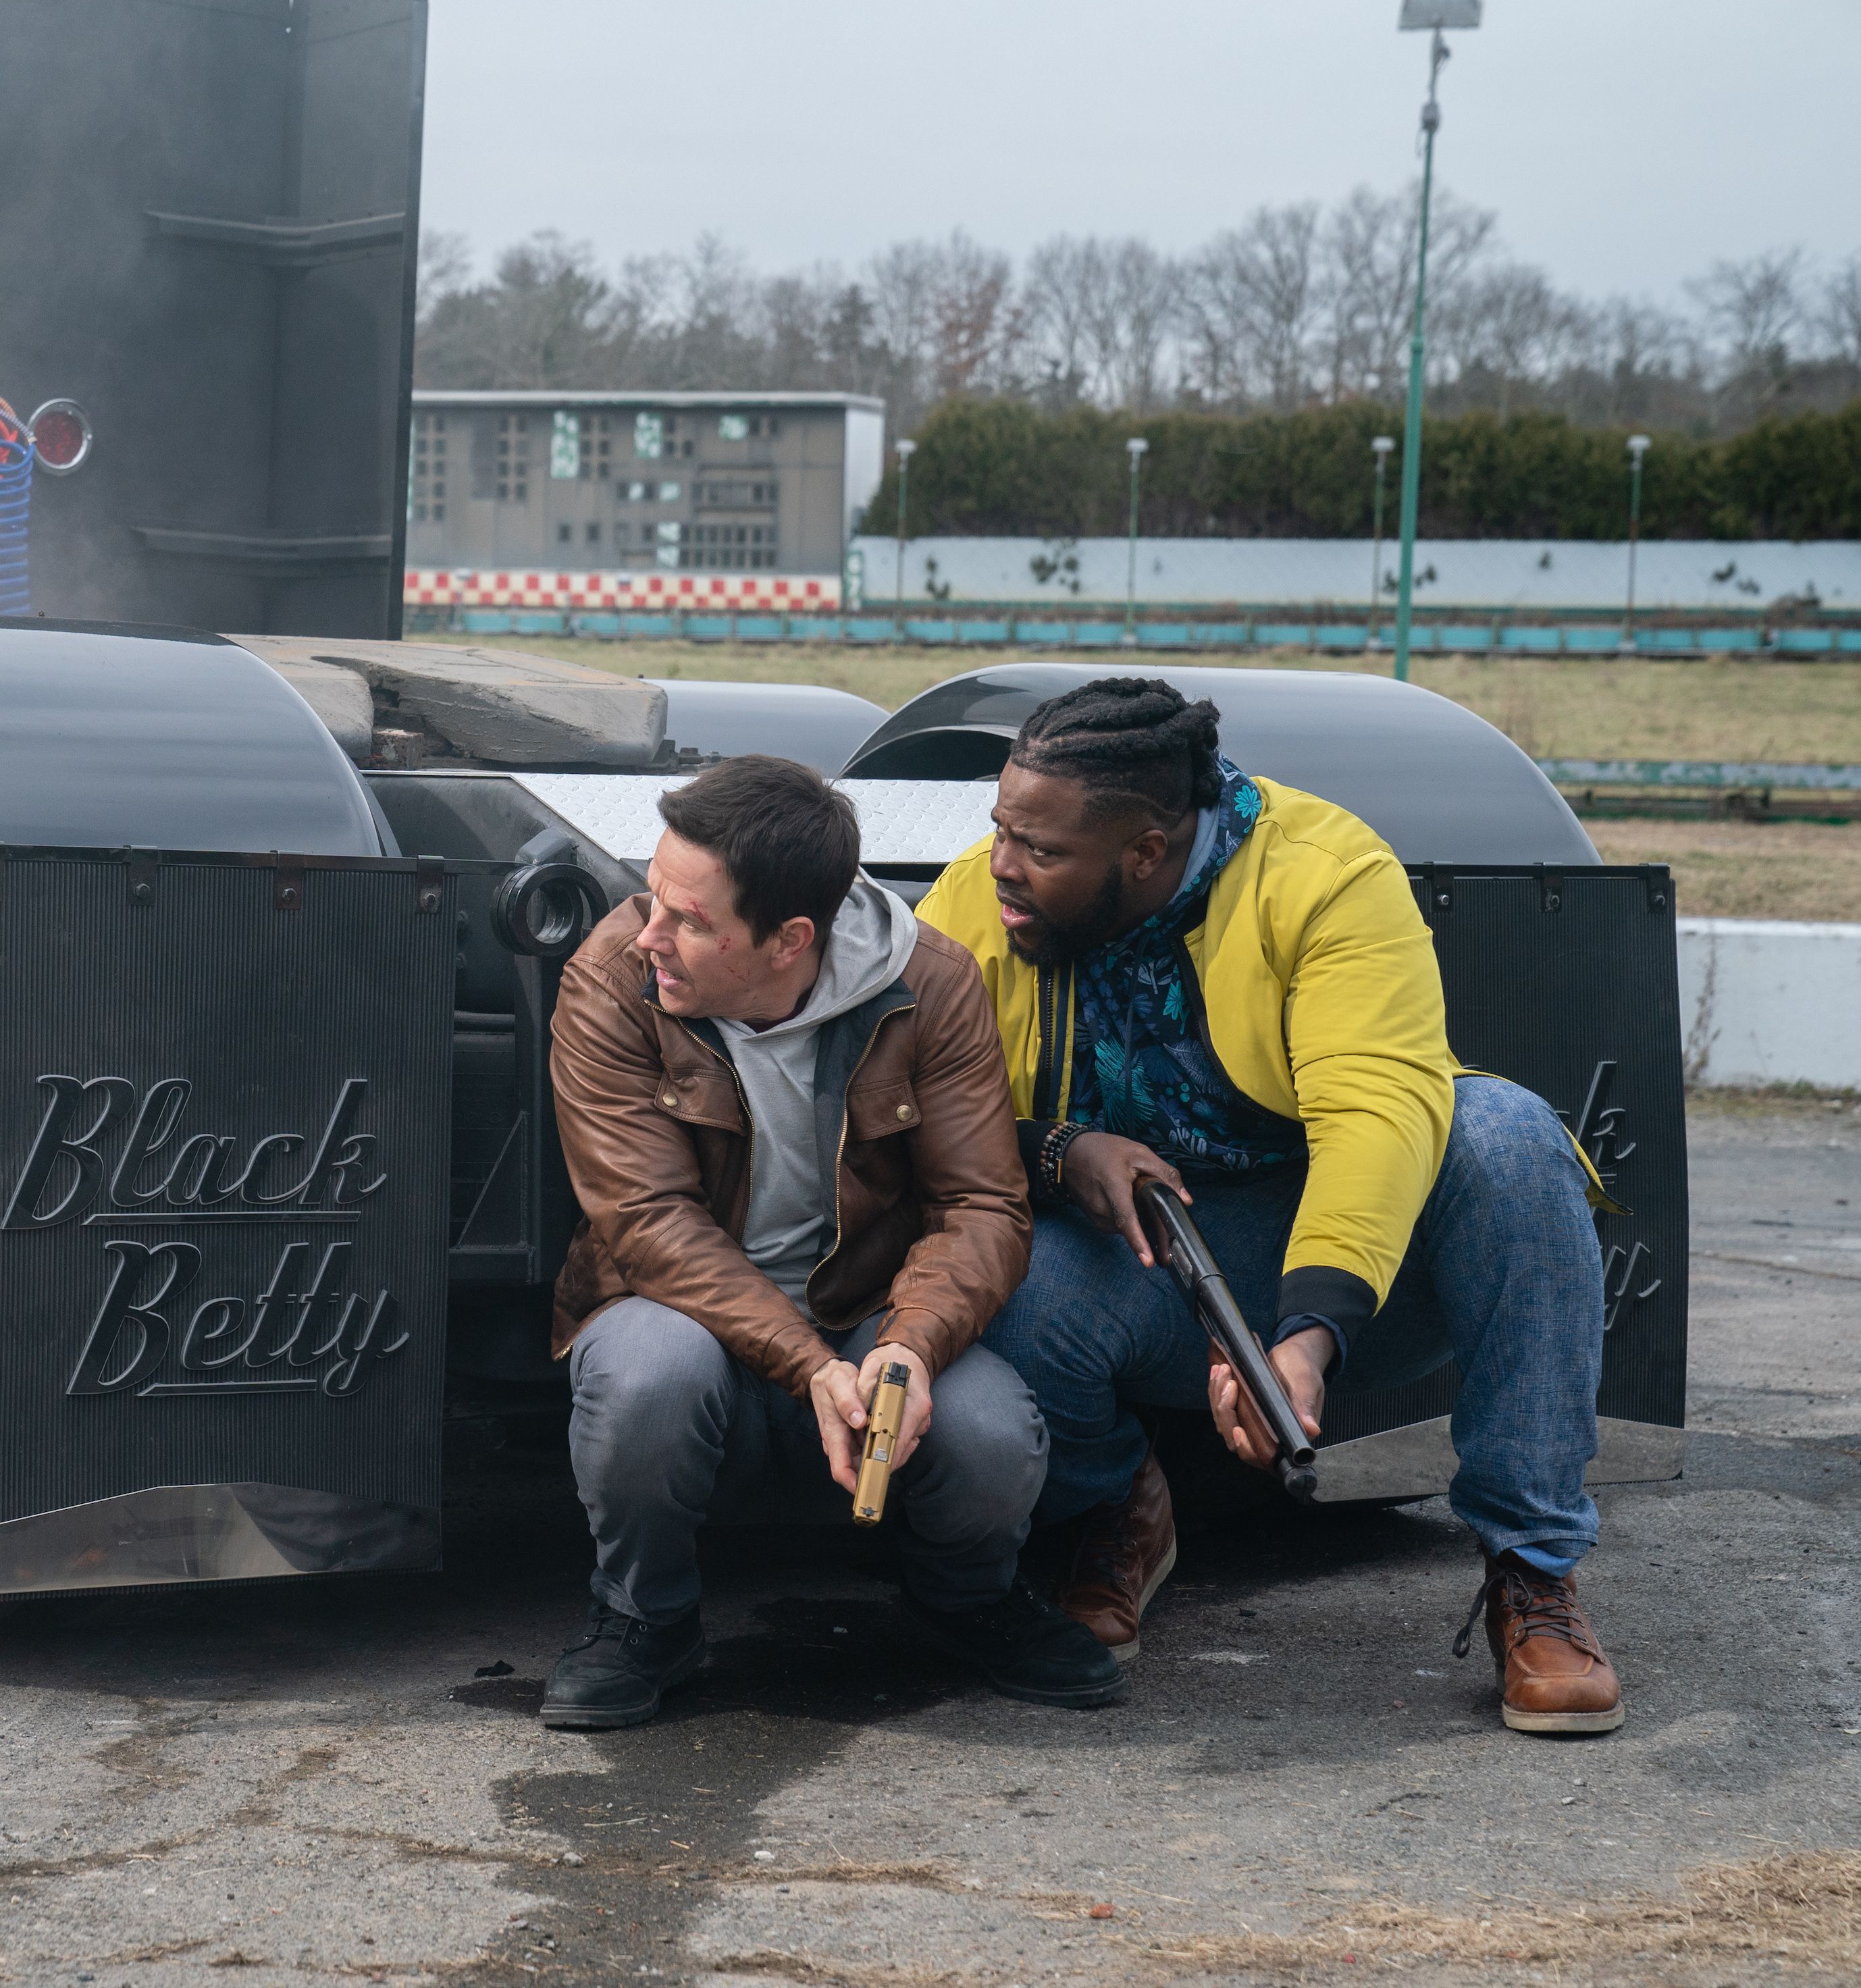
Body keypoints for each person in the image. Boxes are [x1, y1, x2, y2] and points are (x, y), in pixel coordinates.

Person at [915, 678, 1623, 1736]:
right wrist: (1059, 1152)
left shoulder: (1327, 875)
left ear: (1147, 851)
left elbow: (1376, 1114)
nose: (1001, 866)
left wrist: (1309, 1332)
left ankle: (1533, 1568)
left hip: (1359, 1274)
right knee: (1007, 1285)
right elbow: (912, 1119)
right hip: (1158, 1263)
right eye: (1001, 830)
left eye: (1041, 849)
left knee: (1507, 1137)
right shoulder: (979, 902)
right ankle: (1119, 1506)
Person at [540, 754, 1125, 1729]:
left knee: (991, 1430)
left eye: (690, 920)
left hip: (867, 1312)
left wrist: (911, 1347)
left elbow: (983, 1204)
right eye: (653, 897)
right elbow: (645, 1222)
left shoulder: (931, 982)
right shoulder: (613, 978)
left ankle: (968, 1598)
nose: (650, 936)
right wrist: (809, 1365)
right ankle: (645, 1615)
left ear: (790, 941)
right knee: (645, 1378)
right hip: (676, 1309)